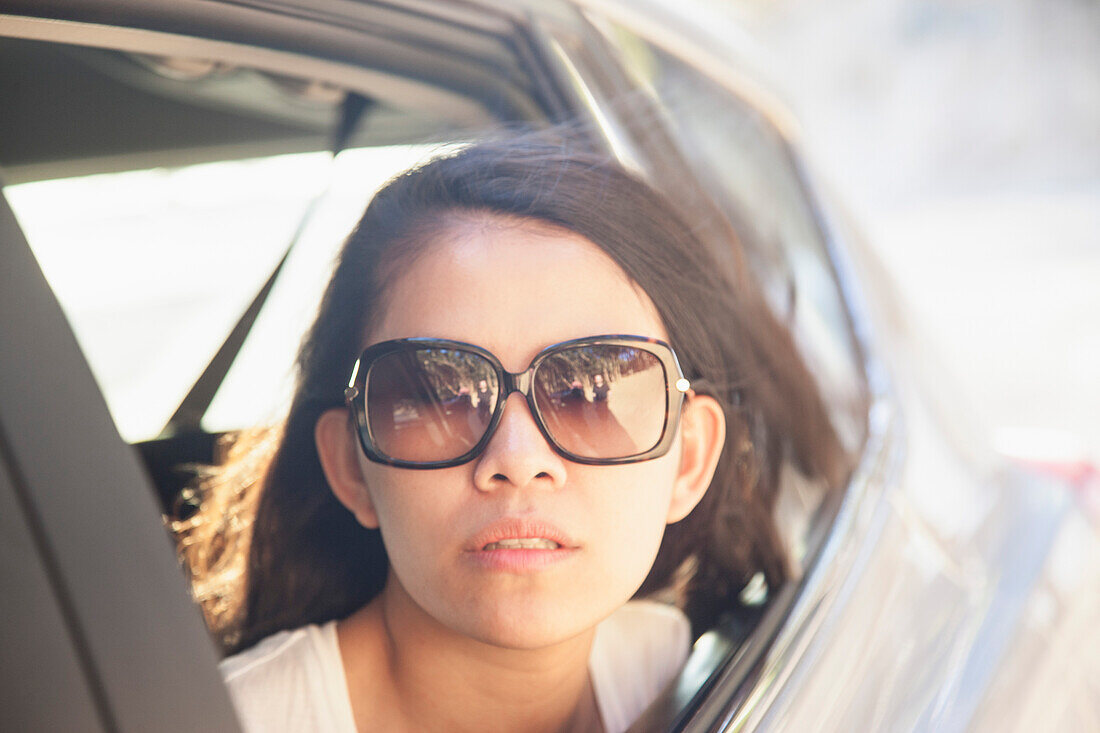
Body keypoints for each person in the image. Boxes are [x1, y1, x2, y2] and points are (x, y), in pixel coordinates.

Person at [178, 132, 844, 732]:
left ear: (689, 458)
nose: (519, 458)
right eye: (441, 391)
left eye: (592, 390)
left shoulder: (674, 669)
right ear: (352, 465)